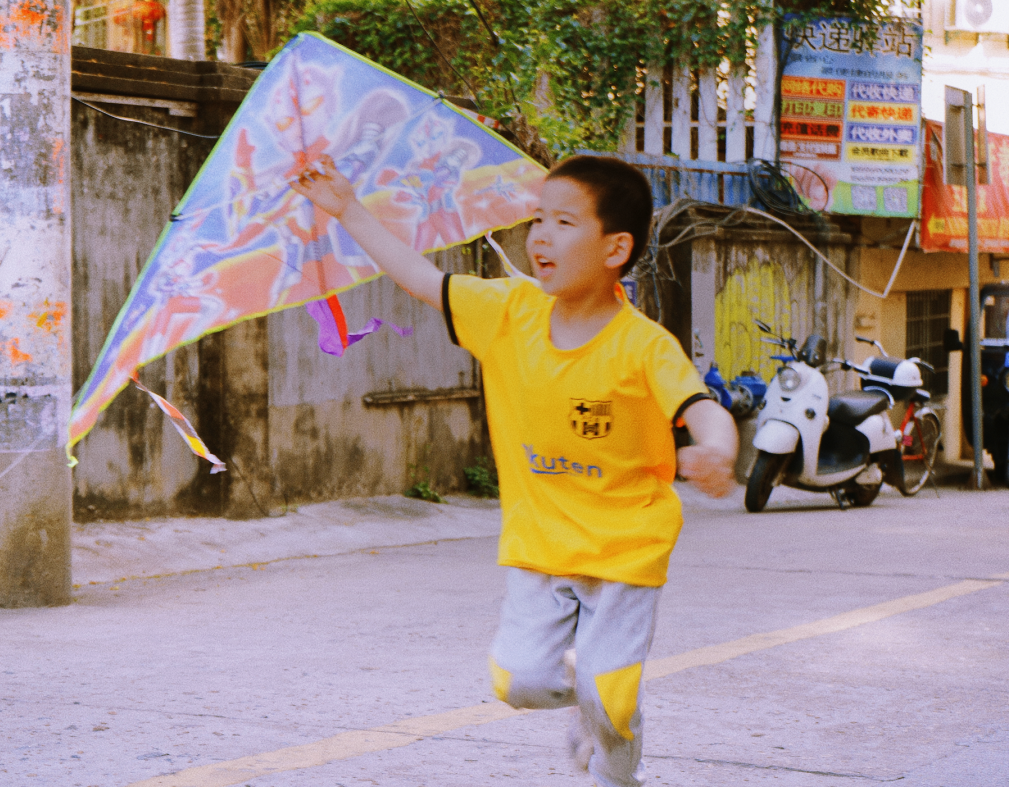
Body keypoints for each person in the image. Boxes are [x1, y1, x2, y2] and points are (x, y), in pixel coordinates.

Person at [292, 154, 738, 787]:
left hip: (626, 552)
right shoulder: (507, 313)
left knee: (611, 700)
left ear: (616, 248)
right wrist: (347, 208)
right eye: (538, 219)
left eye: (563, 221)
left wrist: (715, 452)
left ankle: (617, 773)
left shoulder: (642, 345)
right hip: (539, 548)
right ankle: (587, 702)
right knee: (518, 682)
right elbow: (419, 277)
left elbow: (701, 409)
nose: (540, 236)